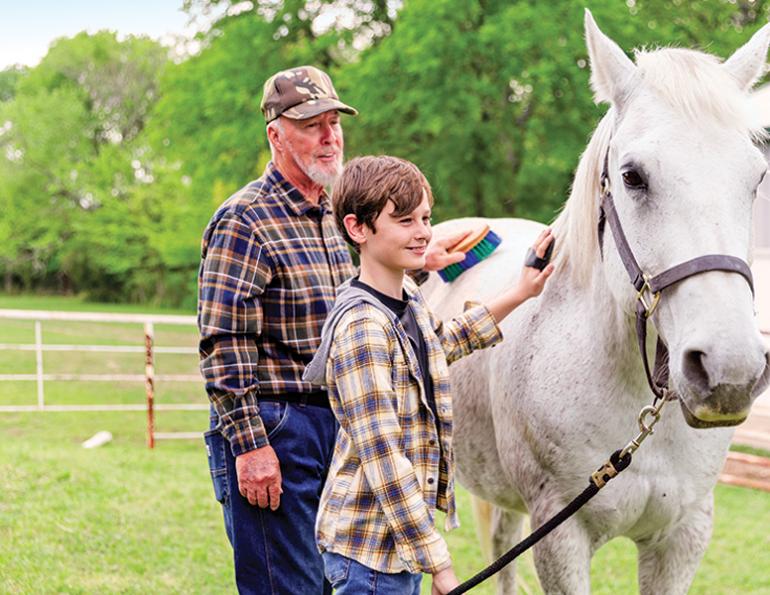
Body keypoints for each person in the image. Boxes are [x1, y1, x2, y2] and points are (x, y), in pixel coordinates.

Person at [198, 66, 471, 595]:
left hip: (337, 425)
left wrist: (416, 264)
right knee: (287, 586)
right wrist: (251, 446)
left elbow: (347, 306)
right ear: (276, 135)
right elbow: (224, 342)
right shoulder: (245, 219)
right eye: (311, 125)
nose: (330, 137)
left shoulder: (334, 212)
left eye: (334, 123)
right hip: (277, 427)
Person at [303, 155, 555, 595]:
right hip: (367, 556)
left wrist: (520, 292)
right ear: (357, 228)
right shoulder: (363, 328)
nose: (422, 232)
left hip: (392, 551)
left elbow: (441, 344)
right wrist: (438, 563)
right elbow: (384, 457)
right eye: (404, 220)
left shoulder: (406, 298)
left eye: (425, 217)